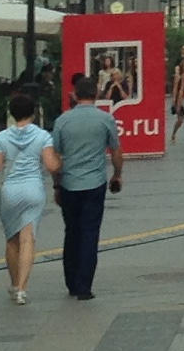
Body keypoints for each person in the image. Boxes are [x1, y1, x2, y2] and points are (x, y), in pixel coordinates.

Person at [44, 72, 125, 302]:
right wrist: (117, 175)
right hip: (95, 183)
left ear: (75, 95)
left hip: (69, 183)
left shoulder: (63, 120)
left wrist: (56, 185)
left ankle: (71, 281)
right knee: (90, 232)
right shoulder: (105, 119)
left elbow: (55, 157)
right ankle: (84, 285)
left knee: (72, 231)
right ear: (97, 94)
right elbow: (116, 152)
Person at [0, 89, 52, 305]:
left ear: (12, 114)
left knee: (12, 241)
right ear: (33, 113)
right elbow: (51, 165)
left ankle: (14, 285)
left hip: (10, 192)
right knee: (28, 238)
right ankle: (23, 288)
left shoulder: (2, 137)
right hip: (33, 189)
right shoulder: (43, 136)